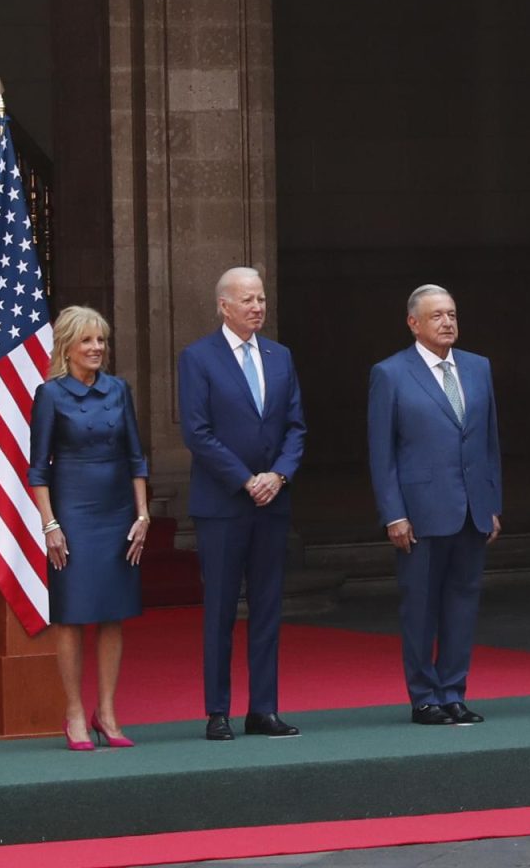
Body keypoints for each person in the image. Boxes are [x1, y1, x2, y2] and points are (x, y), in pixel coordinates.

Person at [178, 267, 307, 740]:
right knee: (220, 610)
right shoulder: (198, 358)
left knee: (269, 607)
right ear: (223, 306)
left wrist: (280, 474)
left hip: (273, 501)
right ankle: (218, 711)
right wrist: (245, 479)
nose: (257, 307)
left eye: (261, 299)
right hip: (224, 504)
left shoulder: (280, 356)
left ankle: (264, 709)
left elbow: (296, 426)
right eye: (247, 300)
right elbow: (197, 432)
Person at [368, 285, 502, 726]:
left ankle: (454, 692)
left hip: (471, 509)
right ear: (414, 323)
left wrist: (492, 501)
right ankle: (424, 696)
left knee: (463, 603)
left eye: (452, 314)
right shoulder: (390, 373)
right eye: (437, 316)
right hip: (420, 512)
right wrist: (394, 513)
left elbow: (488, 442)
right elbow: (382, 452)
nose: (447, 322)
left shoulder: (478, 367)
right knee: (421, 607)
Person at [29, 306, 150, 751]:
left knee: (113, 613)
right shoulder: (51, 395)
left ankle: (108, 711)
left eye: (101, 340)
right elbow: (38, 469)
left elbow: (137, 456)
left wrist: (142, 515)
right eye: (87, 341)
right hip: (73, 515)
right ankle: (75, 712)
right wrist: (51, 524)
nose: (97, 348)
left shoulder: (119, 390)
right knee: (72, 615)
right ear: (68, 346)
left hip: (118, 512)